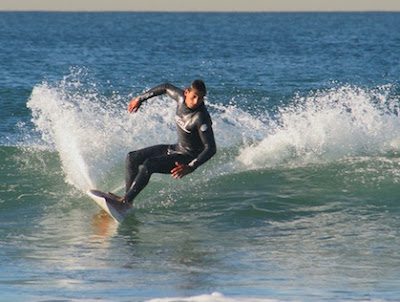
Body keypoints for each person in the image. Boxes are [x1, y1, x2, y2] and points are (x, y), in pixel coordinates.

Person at [115, 80, 216, 205]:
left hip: (186, 158)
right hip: (177, 148)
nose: (196, 101)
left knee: (149, 164)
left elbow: (211, 148)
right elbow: (165, 87)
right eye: (194, 97)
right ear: (186, 93)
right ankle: (127, 199)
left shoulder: (201, 118)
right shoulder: (180, 98)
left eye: (200, 98)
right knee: (132, 158)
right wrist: (140, 98)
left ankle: (126, 200)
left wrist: (191, 166)